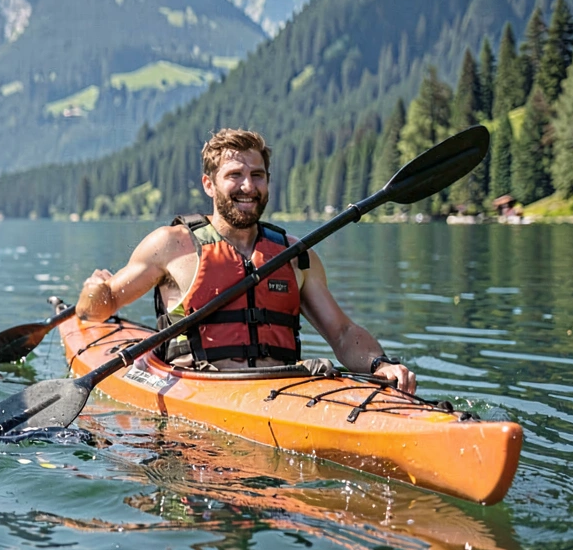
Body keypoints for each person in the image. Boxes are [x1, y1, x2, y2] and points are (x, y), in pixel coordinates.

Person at [75, 128, 416, 394]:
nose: (248, 186)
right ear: (209, 184)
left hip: (285, 388)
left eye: (257, 175)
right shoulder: (171, 245)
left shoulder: (296, 255)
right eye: (235, 175)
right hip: (200, 389)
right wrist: (94, 289)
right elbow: (98, 309)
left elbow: (342, 333)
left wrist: (378, 364)